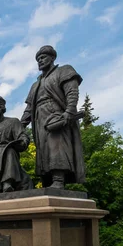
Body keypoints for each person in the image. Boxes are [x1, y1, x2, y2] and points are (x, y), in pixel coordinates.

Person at [21, 45, 86, 189]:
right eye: (38, 59)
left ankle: (59, 180)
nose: (40, 61)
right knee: (43, 149)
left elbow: (72, 93)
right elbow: (29, 108)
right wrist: (21, 124)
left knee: (57, 146)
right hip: (39, 120)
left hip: (57, 116)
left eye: (43, 57)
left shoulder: (64, 71)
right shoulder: (35, 85)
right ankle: (48, 181)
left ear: (52, 58)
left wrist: (69, 112)